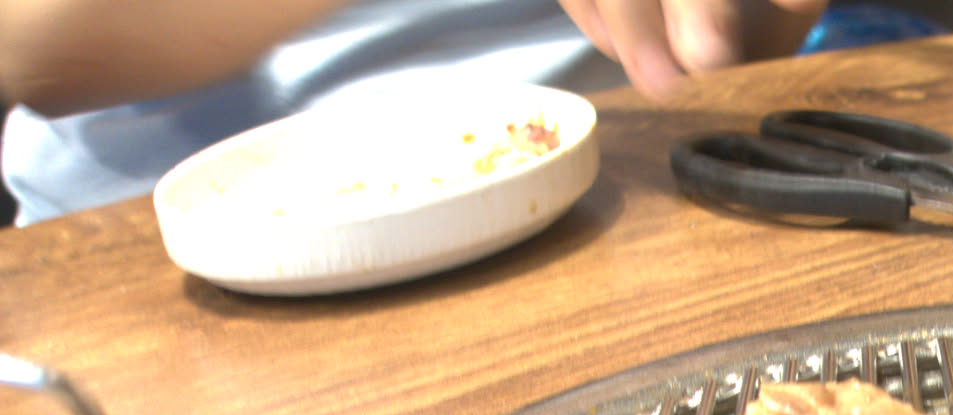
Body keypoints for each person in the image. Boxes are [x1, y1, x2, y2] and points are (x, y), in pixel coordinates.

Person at [0, 0, 829, 224]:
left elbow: (723, 46)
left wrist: (733, 24)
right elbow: (28, 42)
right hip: (155, 255)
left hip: (605, 196)